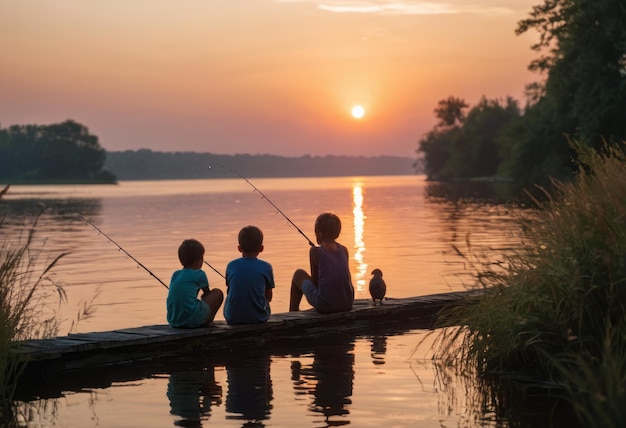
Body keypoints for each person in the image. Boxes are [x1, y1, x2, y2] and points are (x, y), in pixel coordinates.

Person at [289, 212, 354, 313]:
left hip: (325, 305)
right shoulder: (344, 250)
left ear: (319, 232)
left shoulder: (315, 252)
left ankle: (293, 312)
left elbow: (315, 282)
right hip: (347, 303)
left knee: (298, 274)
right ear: (337, 233)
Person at [166, 239, 223, 328]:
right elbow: (207, 293)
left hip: (174, 320)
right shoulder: (200, 274)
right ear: (200, 260)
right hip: (191, 319)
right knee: (217, 293)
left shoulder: (175, 274)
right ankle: (208, 321)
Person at [224, 225, 275, 324]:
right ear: (261, 248)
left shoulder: (231, 265)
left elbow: (229, 290)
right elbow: (268, 297)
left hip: (232, 318)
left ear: (239, 248)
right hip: (259, 318)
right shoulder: (266, 267)